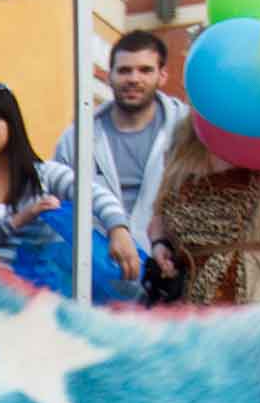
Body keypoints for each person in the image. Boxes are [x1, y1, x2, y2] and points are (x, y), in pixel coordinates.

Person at [0, 82, 141, 283]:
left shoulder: (45, 175)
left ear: (12, 123)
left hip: (36, 309)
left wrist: (118, 229)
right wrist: (18, 220)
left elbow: (95, 195)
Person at [53, 31, 190, 249]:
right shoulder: (76, 139)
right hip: (95, 273)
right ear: (110, 76)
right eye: (124, 70)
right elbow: (57, 208)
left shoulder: (186, 131)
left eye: (145, 70)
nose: (134, 79)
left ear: (162, 76)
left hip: (168, 268)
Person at [147, 117, 260, 305]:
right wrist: (160, 244)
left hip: (258, 292)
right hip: (190, 294)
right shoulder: (183, 137)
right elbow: (161, 208)